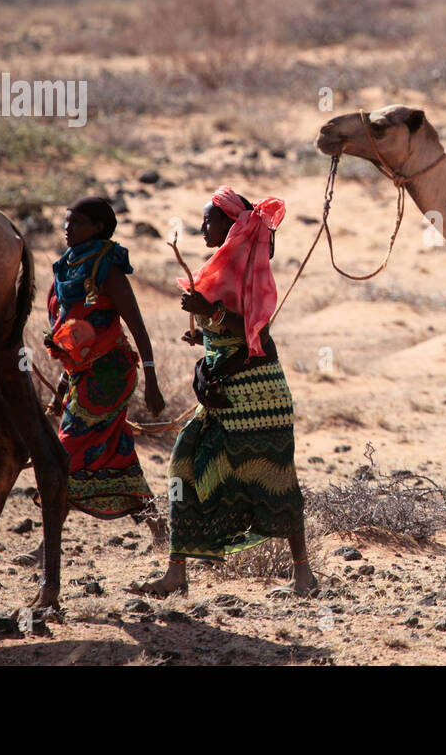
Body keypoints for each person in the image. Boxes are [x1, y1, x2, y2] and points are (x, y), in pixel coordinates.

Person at [128, 186, 317, 598]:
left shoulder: (247, 266)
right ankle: (176, 573)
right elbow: (227, 331)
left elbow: (257, 332)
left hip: (257, 396)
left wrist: (208, 313)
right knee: (182, 465)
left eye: (208, 221)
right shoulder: (223, 263)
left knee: (276, 478)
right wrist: (205, 339)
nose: (200, 229)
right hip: (226, 393)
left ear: (231, 224)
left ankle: (304, 576)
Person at [42, 196, 166, 542]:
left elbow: (137, 326)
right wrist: (62, 383)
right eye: (66, 222)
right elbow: (71, 332)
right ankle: (157, 524)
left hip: (111, 376)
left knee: (64, 455)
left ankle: (46, 545)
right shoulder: (68, 266)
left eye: (76, 223)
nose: (67, 229)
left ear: (98, 227)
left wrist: (152, 381)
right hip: (83, 376)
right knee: (116, 452)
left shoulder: (108, 269)